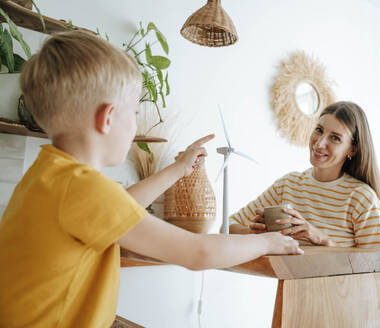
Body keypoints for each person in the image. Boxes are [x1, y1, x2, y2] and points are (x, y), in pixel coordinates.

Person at [0, 31, 303, 328]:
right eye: (134, 111)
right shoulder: (83, 188)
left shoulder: (51, 174)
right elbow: (198, 252)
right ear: (108, 118)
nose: (135, 125)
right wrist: (267, 241)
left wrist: (178, 169)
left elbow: (123, 205)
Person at [229, 101, 380, 249]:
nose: (319, 144)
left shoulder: (362, 198)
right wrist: (253, 234)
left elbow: (376, 267)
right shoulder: (288, 185)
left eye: (335, 138)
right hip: (290, 279)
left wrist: (322, 240)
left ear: (352, 149)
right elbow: (228, 225)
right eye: (319, 130)